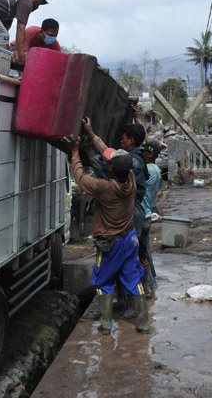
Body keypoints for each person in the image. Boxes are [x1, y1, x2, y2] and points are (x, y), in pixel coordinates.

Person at [66, 138, 149, 334]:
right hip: (129, 239)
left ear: (111, 169)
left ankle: (105, 325)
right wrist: (91, 134)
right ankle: (144, 324)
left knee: (103, 281)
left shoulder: (105, 188)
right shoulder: (130, 179)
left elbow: (80, 177)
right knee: (133, 279)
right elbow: (110, 155)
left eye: (109, 163)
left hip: (110, 243)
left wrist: (75, 153)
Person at [82, 118, 150, 294]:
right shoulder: (132, 160)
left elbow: (104, 168)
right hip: (135, 214)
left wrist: (84, 155)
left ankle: (127, 298)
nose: (121, 140)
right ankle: (141, 293)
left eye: (124, 138)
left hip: (129, 215)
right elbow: (107, 153)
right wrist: (91, 133)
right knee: (134, 259)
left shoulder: (129, 166)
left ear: (131, 141)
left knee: (123, 262)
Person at [140, 140, 164, 297]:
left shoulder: (148, 170)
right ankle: (151, 279)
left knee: (142, 253)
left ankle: (148, 284)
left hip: (142, 213)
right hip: (147, 213)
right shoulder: (155, 168)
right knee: (145, 250)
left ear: (149, 154)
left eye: (143, 152)